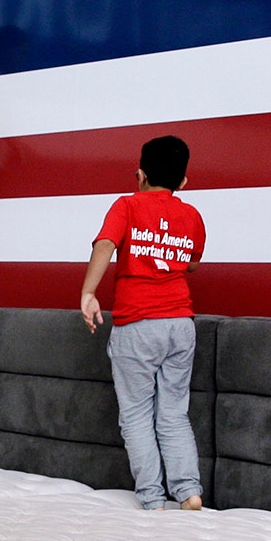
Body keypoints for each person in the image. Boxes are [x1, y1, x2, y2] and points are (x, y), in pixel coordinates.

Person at [80, 135, 207, 512]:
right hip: (181, 324)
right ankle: (189, 492)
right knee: (173, 412)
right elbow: (193, 262)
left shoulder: (127, 205)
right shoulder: (192, 215)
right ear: (183, 182)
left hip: (138, 323)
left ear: (140, 174)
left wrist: (89, 293)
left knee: (136, 413)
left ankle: (153, 498)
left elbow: (104, 245)